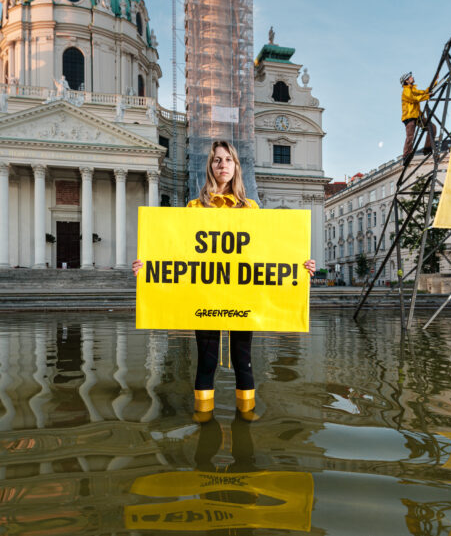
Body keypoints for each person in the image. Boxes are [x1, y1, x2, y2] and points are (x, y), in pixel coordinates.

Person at [134, 140, 315, 421]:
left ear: (235, 167)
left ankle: (247, 415)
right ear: (210, 166)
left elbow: (266, 253)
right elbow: (178, 252)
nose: (223, 165)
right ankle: (203, 417)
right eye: (217, 160)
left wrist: (300, 266)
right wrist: (147, 266)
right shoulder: (195, 208)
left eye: (228, 160)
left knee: (243, 360)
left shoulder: (251, 209)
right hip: (205, 297)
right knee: (206, 362)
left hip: (242, 297)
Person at [401, 72, 435, 164]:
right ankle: (406, 155)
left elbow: (423, 92)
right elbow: (414, 99)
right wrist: (428, 96)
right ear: (407, 81)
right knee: (410, 136)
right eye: (410, 77)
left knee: (432, 127)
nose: (412, 77)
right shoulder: (406, 91)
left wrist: (434, 83)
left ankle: (427, 148)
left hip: (417, 116)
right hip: (409, 117)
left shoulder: (412, 89)